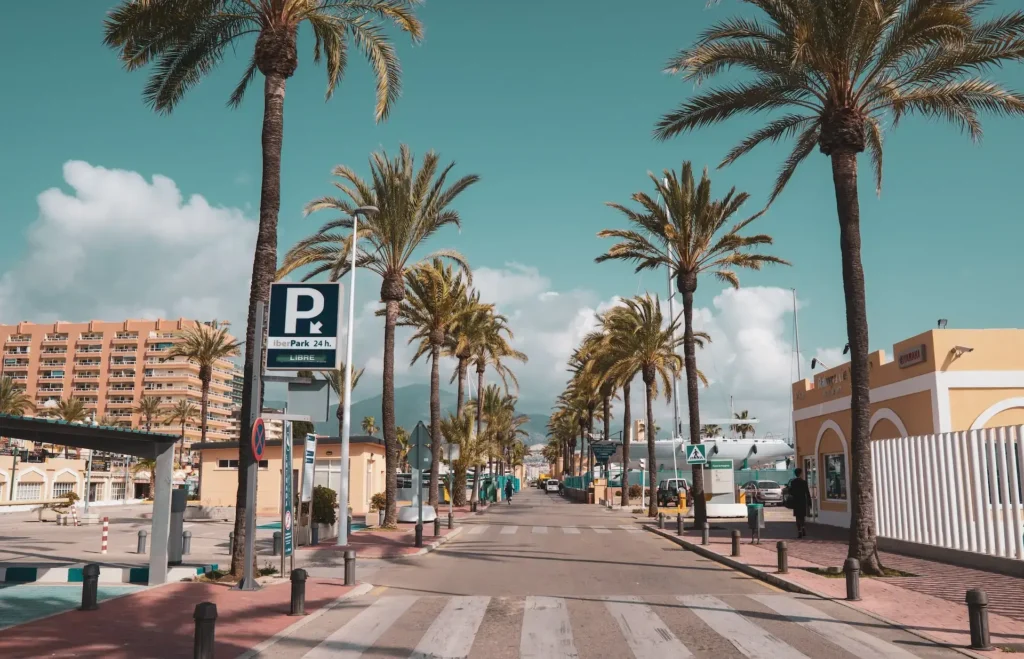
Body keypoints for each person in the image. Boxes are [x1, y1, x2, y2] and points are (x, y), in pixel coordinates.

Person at [788, 468, 812, 538]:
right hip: (802, 501)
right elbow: (807, 492)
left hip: (796, 501)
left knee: (797, 517)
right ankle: (803, 528)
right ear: (800, 473)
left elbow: (791, 492)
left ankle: (799, 531)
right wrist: (809, 502)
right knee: (802, 516)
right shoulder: (804, 482)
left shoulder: (793, 482)